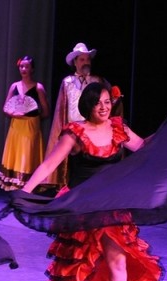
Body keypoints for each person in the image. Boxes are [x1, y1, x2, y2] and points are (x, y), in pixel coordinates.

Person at [18, 82, 163, 281]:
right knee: (77, 262)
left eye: (108, 102)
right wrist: (25, 191)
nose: (104, 107)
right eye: (99, 103)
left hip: (112, 206)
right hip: (81, 207)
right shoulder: (75, 133)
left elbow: (141, 146)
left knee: (117, 260)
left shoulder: (118, 127)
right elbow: (49, 165)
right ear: (88, 105)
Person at [44, 42, 108, 190]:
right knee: (72, 164)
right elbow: (61, 108)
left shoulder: (96, 81)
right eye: (82, 59)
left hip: (91, 128)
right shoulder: (67, 82)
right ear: (75, 62)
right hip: (73, 129)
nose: (86, 62)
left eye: (88, 59)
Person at [0, 56, 50, 190]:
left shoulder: (38, 88)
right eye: (21, 66)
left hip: (30, 126)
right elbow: (5, 107)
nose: (24, 69)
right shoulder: (14, 86)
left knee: (27, 156)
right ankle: (14, 187)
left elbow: (45, 111)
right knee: (16, 155)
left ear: (32, 69)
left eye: (27, 66)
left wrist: (33, 118)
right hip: (16, 125)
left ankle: (28, 188)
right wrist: (13, 114)